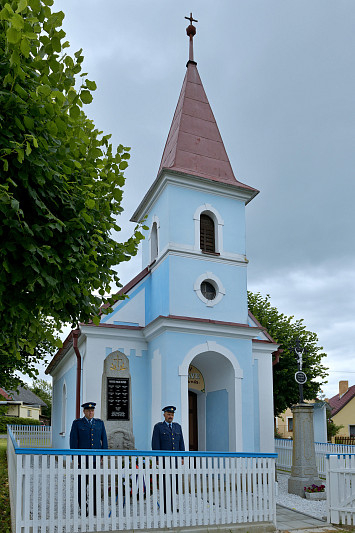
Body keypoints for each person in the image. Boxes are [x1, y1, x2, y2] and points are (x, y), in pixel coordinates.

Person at [70, 402, 108, 516]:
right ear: (84, 411)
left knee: (95, 486)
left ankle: (95, 508)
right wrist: (75, 458)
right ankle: (83, 507)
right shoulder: (77, 423)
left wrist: (103, 456)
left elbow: (104, 440)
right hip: (82, 460)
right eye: (88, 411)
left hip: (95, 460)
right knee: (81, 486)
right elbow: (73, 442)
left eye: (92, 411)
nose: (90, 412)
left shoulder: (99, 423)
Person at [151, 406, 185, 513]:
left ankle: (173, 505)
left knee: (174, 485)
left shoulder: (177, 427)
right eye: (168, 414)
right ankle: (166, 507)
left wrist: (182, 457)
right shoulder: (158, 427)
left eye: (172, 414)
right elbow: (155, 443)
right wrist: (157, 458)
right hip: (164, 461)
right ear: (164, 415)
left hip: (174, 460)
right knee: (166, 484)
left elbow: (181, 443)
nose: (170, 416)